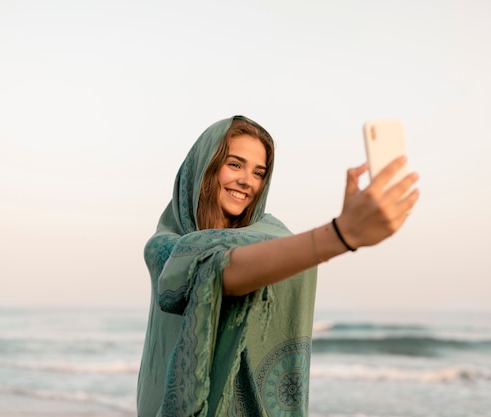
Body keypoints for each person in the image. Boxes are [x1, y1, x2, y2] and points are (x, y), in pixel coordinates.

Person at [137, 115, 419, 416]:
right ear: (205, 167)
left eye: (259, 172)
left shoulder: (274, 236)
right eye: (234, 164)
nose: (247, 181)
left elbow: (280, 262)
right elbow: (217, 271)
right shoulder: (165, 246)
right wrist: (340, 234)